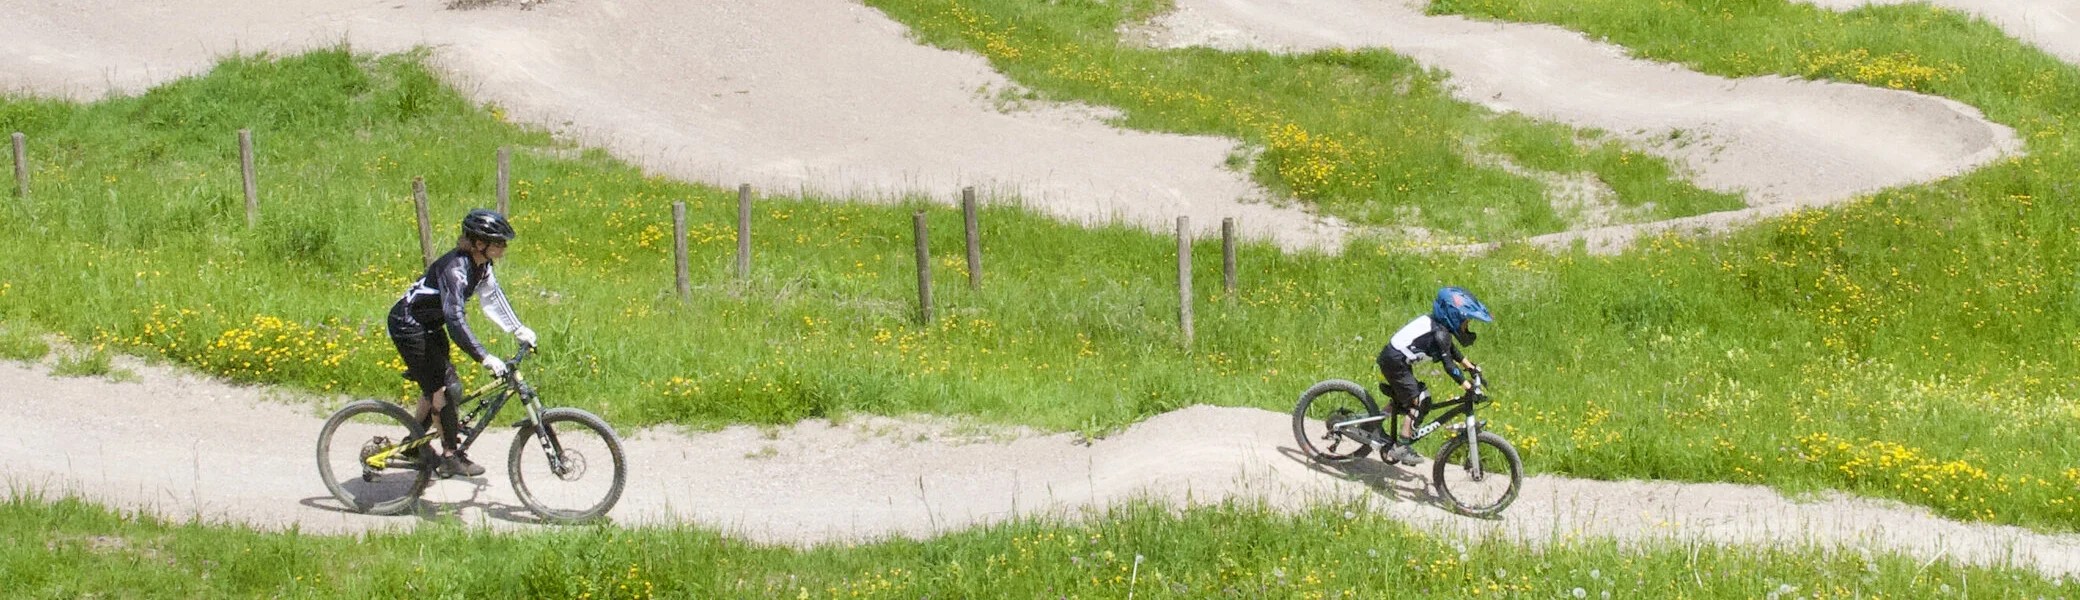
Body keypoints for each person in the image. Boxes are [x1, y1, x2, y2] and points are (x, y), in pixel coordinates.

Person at [387, 208, 537, 477]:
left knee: (437, 388)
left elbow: (493, 298)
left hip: (428, 325)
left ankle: (412, 445)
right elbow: (455, 319)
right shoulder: (455, 269)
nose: (504, 247)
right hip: (408, 325)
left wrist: (518, 329)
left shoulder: (481, 266)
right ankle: (450, 456)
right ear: (480, 243)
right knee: (445, 389)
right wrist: (484, 356)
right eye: (499, 242)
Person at [1374, 286, 1491, 466]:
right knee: (1421, 399)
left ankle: (1373, 424)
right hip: (1395, 361)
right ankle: (1401, 446)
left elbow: (1452, 351)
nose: (1466, 327)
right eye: (1465, 322)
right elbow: (1449, 366)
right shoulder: (1439, 333)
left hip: (1397, 360)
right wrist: (1468, 387)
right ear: (1454, 316)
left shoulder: (1440, 329)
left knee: (1405, 400)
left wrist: (1470, 367)